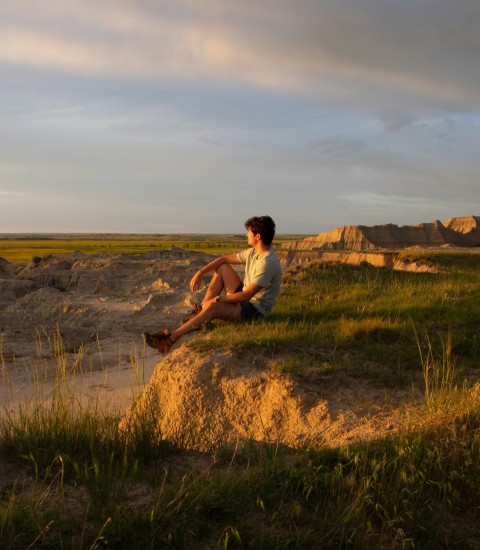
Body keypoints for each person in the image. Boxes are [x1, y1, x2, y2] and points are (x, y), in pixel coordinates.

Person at [143, 215, 282, 354]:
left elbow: (246, 296)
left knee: (213, 306)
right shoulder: (253, 252)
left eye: (249, 231)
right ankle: (199, 314)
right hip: (245, 299)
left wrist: (216, 299)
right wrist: (200, 272)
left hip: (253, 310)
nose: (246, 234)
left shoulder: (267, 263)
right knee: (222, 267)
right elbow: (223, 259)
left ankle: (169, 340)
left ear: (257, 236)